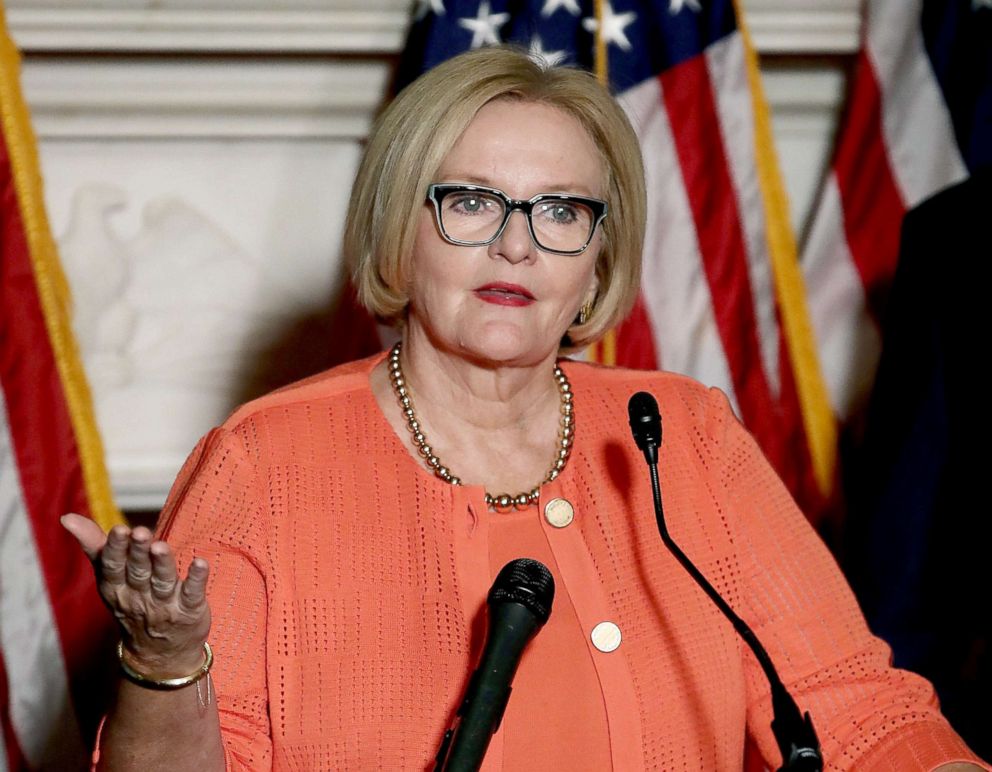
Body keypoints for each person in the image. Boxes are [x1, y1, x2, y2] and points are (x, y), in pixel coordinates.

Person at [63, 46, 988, 771]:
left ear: (596, 256)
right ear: (399, 227)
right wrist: (165, 660)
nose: (517, 247)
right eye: (472, 202)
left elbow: (863, 715)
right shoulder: (264, 463)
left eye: (560, 212)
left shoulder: (686, 437)